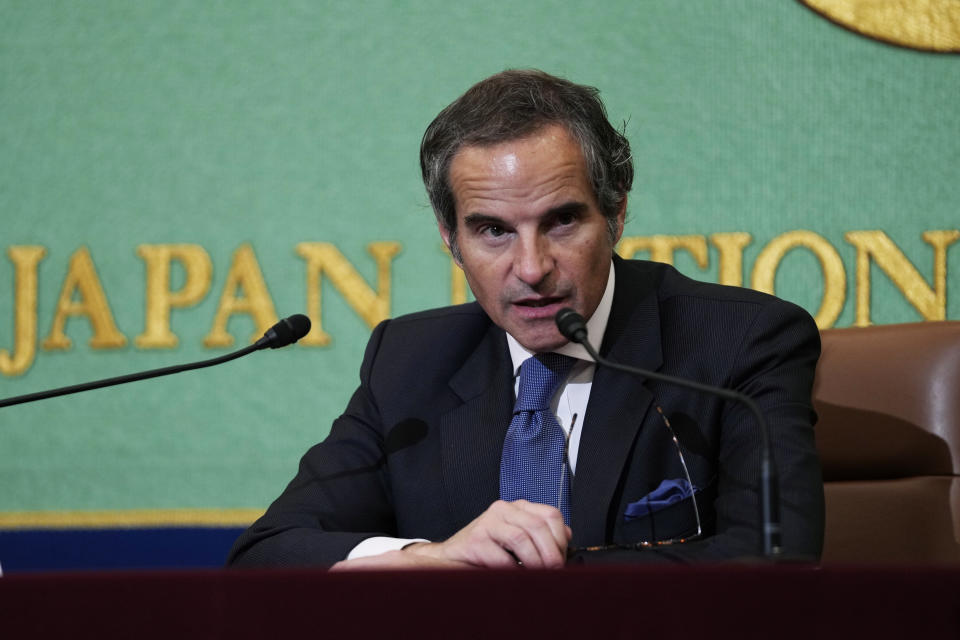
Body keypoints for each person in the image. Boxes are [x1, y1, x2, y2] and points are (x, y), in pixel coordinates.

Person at [228, 69, 824, 569]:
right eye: (493, 231)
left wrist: (526, 582)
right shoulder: (409, 362)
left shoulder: (740, 344)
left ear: (616, 212)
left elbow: (776, 559)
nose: (532, 268)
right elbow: (268, 554)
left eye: (562, 221)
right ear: (450, 237)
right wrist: (430, 560)